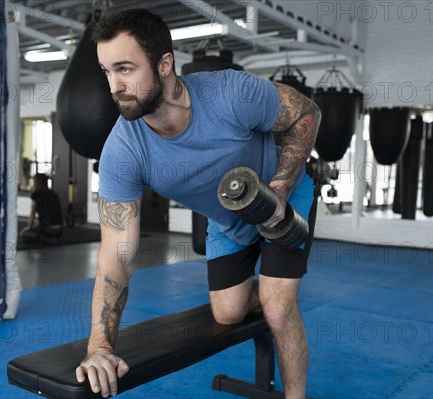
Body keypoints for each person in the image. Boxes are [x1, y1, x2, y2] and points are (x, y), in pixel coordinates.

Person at [76, 9, 321, 398]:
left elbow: (307, 112)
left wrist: (280, 188)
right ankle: (271, 283)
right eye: (107, 71)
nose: (114, 85)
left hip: (284, 199)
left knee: (277, 308)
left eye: (125, 69)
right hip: (227, 223)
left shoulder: (232, 94)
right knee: (228, 313)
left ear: (165, 64)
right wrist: (100, 348)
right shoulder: (123, 151)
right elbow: (117, 255)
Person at [19, 173, 63, 244]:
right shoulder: (54, 194)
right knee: (39, 226)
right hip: (59, 230)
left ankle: (45, 239)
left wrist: (28, 228)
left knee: (23, 233)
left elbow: (32, 215)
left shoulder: (36, 194)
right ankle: (51, 237)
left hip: (47, 229)